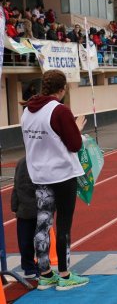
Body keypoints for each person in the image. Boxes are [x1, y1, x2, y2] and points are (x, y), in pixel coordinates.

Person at [20, 69, 89, 290]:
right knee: (63, 225)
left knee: (43, 223)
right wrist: (76, 129)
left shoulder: (26, 111)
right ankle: (65, 276)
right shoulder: (59, 111)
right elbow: (75, 145)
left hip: (39, 174)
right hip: (62, 174)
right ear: (62, 89)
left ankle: (46, 273)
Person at [10, 157, 38, 279]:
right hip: (35, 207)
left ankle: (29, 266)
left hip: (25, 208)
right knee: (35, 239)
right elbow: (19, 185)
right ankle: (32, 267)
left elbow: (16, 185)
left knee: (25, 240)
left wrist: (14, 205)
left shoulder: (21, 162)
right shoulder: (29, 162)